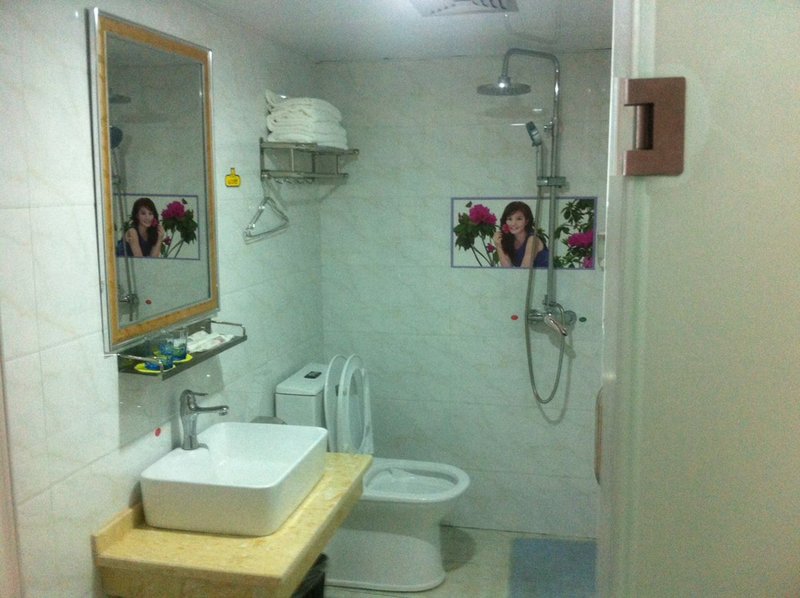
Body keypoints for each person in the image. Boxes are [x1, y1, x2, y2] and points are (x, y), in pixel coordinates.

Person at [492, 201, 549, 268]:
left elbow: (525, 269)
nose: (513, 223)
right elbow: (507, 268)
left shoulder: (533, 240)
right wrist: (498, 246)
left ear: (526, 221)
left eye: (519, 219)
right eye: (510, 219)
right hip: (525, 275)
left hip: (545, 274)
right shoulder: (509, 240)